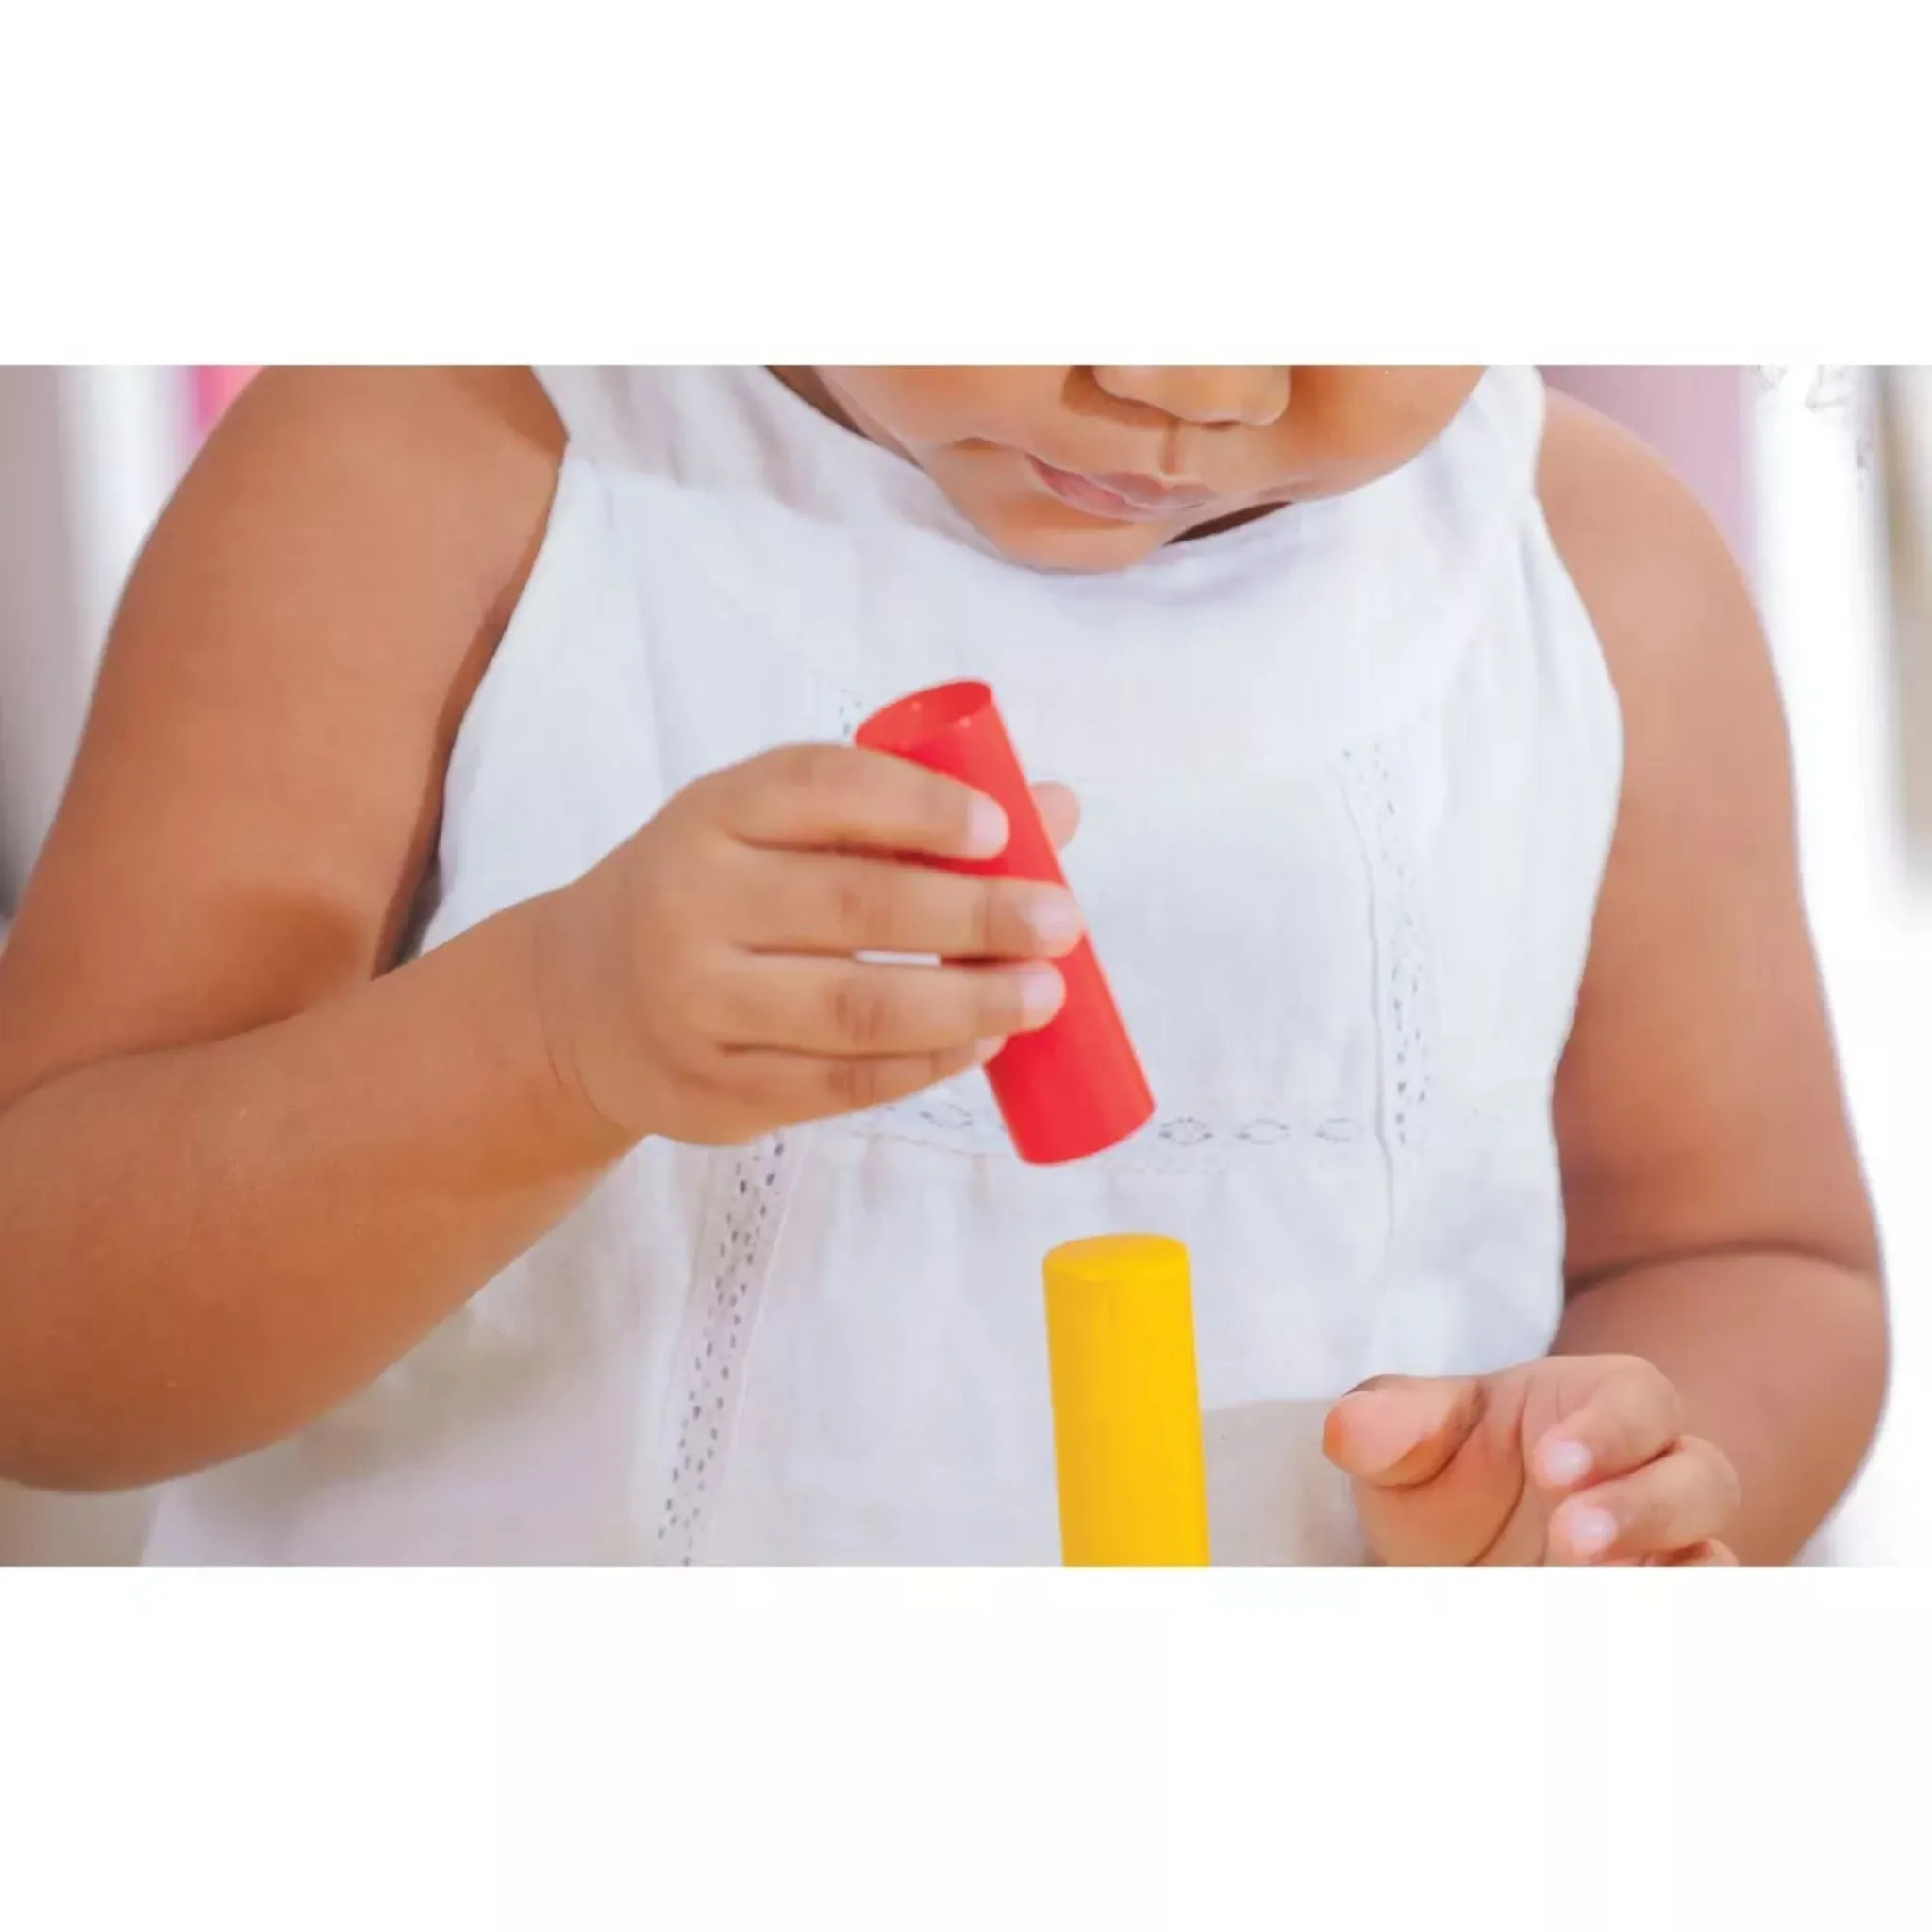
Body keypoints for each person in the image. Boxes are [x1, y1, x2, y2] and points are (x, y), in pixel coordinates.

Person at [0, 366, 1888, 1563]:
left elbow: (1755, 1261)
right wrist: (543, 1040)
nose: (1187, 375)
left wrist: (1615, 1484)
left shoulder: (1590, 573)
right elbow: (45, 1333)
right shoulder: (433, 463)